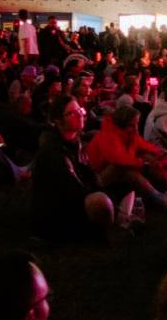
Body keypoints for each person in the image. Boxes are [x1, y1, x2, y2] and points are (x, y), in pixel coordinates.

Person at [31, 96, 116, 242]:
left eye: (79, 110)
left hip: (75, 197)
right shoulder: (53, 151)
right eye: (71, 113)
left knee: (119, 174)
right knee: (99, 201)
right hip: (58, 215)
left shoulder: (75, 142)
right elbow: (72, 191)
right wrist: (100, 195)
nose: (79, 115)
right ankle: (103, 234)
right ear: (58, 121)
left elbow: (89, 173)